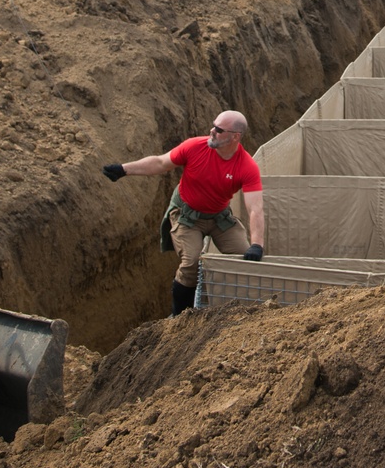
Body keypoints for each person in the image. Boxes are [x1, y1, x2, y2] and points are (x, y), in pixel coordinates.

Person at [103, 111, 265, 316]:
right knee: (192, 263)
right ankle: (180, 318)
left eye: (219, 129)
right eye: (213, 125)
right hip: (188, 216)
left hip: (218, 216)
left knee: (244, 258)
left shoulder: (246, 166)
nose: (212, 131)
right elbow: (161, 163)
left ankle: (236, 313)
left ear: (235, 136)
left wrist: (257, 244)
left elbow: (255, 208)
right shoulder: (195, 147)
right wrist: (123, 169)